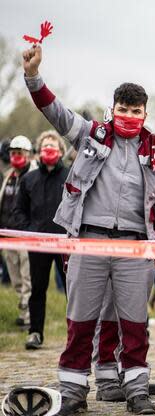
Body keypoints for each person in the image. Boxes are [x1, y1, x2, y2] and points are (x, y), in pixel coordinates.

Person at [23, 44, 155, 415]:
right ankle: (74, 392)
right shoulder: (91, 134)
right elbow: (54, 112)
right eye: (122, 109)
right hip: (88, 241)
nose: (128, 115)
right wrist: (33, 76)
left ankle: (137, 390)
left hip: (135, 248)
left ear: (145, 113)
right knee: (80, 322)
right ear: (114, 109)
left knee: (135, 324)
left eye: (135, 111)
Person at [12, 130, 69, 350]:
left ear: (61, 151)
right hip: (38, 244)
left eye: (53, 145)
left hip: (66, 243)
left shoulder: (70, 176)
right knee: (37, 289)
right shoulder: (29, 179)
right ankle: (35, 332)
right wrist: (29, 230)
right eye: (45, 145)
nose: (49, 149)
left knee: (72, 290)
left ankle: (76, 334)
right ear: (38, 150)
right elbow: (19, 210)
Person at [0, 135, 36, 328]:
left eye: (19, 153)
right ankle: (23, 313)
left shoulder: (34, 176)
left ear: (28, 154)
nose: (16, 156)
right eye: (13, 153)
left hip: (26, 235)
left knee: (27, 276)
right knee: (15, 278)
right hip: (8, 234)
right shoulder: (9, 177)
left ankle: (30, 317)